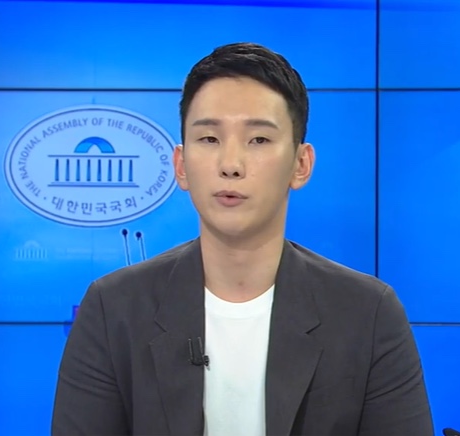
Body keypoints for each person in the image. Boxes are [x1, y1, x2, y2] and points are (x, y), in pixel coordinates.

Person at [51, 42, 434, 436]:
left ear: (301, 164)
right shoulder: (113, 311)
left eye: (259, 140)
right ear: (180, 165)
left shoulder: (368, 315)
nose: (231, 165)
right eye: (209, 139)